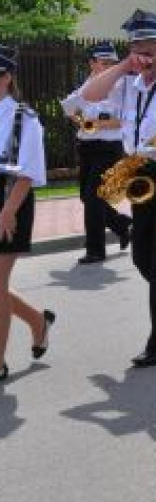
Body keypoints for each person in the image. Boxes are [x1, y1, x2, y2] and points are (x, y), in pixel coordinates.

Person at [81, 9, 156, 367]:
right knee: (142, 258)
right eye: (137, 50)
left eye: (150, 50)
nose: (144, 58)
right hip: (138, 176)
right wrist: (122, 67)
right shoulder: (127, 82)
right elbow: (89, 96)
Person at [0, 46, 54, 382]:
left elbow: (28, 172)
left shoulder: (24, 117)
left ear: (6, 78)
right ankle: (37, 320)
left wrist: (7, 210)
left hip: (10, 199)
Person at [60, 41, 132, 264]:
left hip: (109, 148)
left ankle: (95, 250)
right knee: (86, 196)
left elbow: (123, 120)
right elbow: (70, 108)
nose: (109, 66)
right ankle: (122, 225)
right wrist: (82, 120)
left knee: (93, 197)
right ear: (92, 63)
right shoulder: (88, 85)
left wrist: (97, 124)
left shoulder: (121, 86)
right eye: (104, 62)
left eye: (112, 62)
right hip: (87, 147)